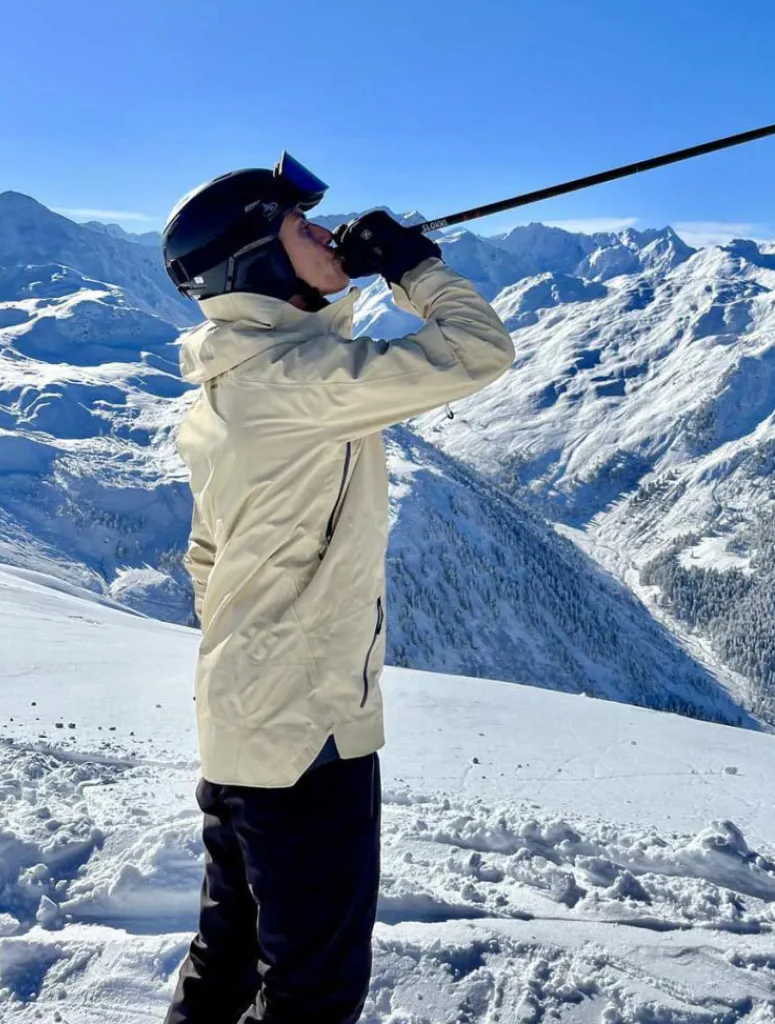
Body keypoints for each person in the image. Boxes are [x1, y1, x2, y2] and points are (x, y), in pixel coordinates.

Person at [159, 153, 515, 1023]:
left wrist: (262, 646)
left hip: (247, 717)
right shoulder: (292, 384)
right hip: (305, 729)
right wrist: (414, 268)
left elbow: (208, 556)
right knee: (313, 991)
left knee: (230, 956)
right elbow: (478, 351)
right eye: (303, 227)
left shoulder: (236, 383)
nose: (328, 232)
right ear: (257, 261)